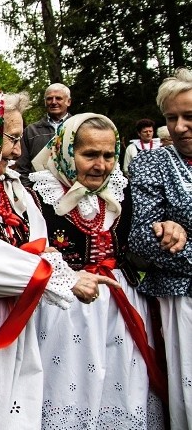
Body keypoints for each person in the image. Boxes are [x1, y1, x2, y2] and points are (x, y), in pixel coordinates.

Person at [0, 92, 117, 429]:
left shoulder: (9, 184)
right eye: (12, 138)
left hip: (16, 314)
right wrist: (61, 277)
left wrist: (52, 267)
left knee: (13, 408)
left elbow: (40, 243)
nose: (18, 150)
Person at [31, 113, 165, 429]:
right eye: (89, 154)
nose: (101, 165)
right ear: (65, 151)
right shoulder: (39, 195)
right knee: (70, 385)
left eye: (108, 155)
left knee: (122, 384)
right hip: (65, 307)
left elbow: (140, 242)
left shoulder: (121, 192)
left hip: (120, 305)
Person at [129, 68, 192, 430]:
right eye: (172, 118)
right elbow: (140, 238)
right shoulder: (153, 162)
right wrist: (165, 234)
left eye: (188, 116)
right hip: (180, 298)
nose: (179, 126)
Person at [16, 83, 72, 179]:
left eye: (58, 98)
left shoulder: (80, 128)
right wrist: (31, 192)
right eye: (49, 98)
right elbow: (22, 168)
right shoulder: (31, 131)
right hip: (38, 191)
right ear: (45, 102)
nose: (53, 102)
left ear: (68, 102)